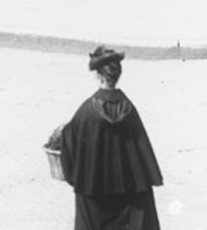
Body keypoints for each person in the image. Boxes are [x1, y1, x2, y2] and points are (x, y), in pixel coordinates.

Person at [56, 46, 164, 230]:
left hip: (94, 198)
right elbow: (142, 151)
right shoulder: (129, 110)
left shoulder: (87, 111)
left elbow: (69, 145)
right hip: (128, 200)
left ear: (98, 75)